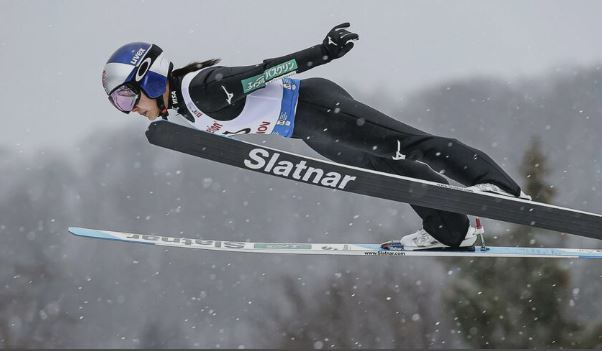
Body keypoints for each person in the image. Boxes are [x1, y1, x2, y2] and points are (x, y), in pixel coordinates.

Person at [101, 23, 530, 250]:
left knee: (408, 145)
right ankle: (450, 229)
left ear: (151, 79)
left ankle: (499, 189)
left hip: (321, 111)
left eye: (126, 98)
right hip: (309, 133)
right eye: (119, 104)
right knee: (390, 173)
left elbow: (266, 71)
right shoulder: (186, 105)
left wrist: (323, 50)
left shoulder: (202, 88)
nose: (129, 109)